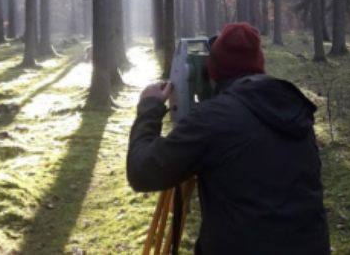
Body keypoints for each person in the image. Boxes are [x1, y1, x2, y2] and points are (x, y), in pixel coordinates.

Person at [127, 22, 330, 255]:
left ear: (212, 70)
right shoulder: (291, 107)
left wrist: (149, 107)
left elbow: (141, 171)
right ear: (259, 66)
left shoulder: (212, 119)